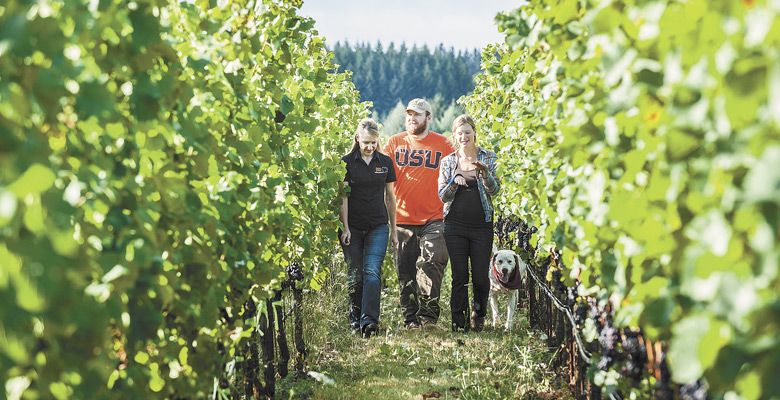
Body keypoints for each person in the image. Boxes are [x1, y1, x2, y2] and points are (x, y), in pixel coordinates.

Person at [384, 98, 456, 329]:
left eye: (418, 114)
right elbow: (379, 172)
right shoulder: (394, 143)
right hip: (402, 219)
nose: (412, 118)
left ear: (428, 118)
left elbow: (461, 165)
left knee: (432, 261)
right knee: (404, 270)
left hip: (434, 218)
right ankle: (410, 319)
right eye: (409, 114)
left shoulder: (443, 145)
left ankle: (428, 316)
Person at [437, 115, 500, 332]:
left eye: (467, 132)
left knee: (481, 277)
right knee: (460, 275)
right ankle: (458, 322)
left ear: (474, 132)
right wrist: (454, 182)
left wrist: (484, 174)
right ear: (454, 135)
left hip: (482, 225)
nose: (464, 136)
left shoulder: (488, 157)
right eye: (459, 132)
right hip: (455, 226)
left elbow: (495, 190)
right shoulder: (448, 162)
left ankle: (478, 314)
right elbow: (443, 197)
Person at [339, 118, 398, 338]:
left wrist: (394, 230)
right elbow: (343, 197)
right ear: (357, 138)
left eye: (373, 142)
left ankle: (369, 322)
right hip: (352, 227)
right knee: (355, 274)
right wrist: (345, 227)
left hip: (378, 226)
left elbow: (390, 198)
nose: (370, 147)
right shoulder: (345, 163)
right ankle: (354, 320)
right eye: (366, 142)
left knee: (372, 272)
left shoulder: (385, 162)